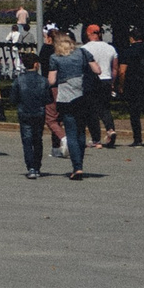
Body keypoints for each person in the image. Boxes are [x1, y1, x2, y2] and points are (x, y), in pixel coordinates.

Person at [46, 33, 94, 179]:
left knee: (71, 131)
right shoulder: (83, 53)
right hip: (83, 94)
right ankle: (80, 164)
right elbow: (97, 70)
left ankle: (77, 167)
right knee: (81, 131)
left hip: (66, 97)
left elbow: (51, 80)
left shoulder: (55, 58)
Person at [12, 47, 52, 178]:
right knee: (37, 140)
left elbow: (13, 98)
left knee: (27, 140)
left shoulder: (19, 80)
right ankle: (37, 165)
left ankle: (31, 167)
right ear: (36, 65)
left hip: (24, 112)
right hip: (39, 113)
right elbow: (48, 98)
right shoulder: (43, 80)